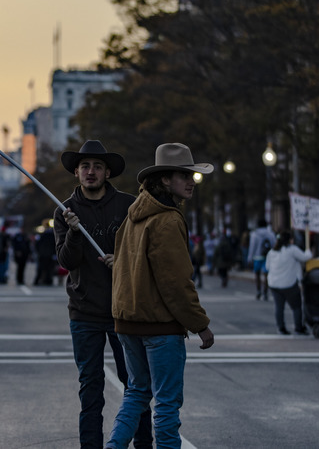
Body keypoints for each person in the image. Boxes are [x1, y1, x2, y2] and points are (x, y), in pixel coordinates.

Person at [106, 142, 215, 449]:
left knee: (137, 392)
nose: (191, 181)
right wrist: (200, 324)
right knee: (166, 403)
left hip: (127, 323)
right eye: (184, 175)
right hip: (159, 326)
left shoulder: (133, 217)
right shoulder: (167, 219)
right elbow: (176, 282)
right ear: (166, 180)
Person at [53, 140, 151, 449]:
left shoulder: (129, 205)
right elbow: (66, 262)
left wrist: (121, 260)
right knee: (90, 389)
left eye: (97, 166)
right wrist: (72, 231)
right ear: (76, 173)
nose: (91, 172)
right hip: (84, 312)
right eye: (85, 167)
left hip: (124, 310)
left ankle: (144, 444)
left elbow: (146, 252)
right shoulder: (65, 211)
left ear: (107, 172)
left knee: (135, 385)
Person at [265, 230, 312, 335]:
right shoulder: (292, 250)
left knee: (279, 307)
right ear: (289, 240)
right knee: (296, 306)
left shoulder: (271, 252)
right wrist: (308, 250)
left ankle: (281, 328)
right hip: (288, 283)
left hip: (274, 283)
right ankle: (298, 327)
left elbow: (267, 267)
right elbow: (306, 257)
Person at [248, 218, 276, 300]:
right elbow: (274, 244)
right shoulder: (270, 234)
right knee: (266, 275)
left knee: (257, 274)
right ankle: (265, 291)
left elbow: (252, 247)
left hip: (257, 256)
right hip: (268, 256)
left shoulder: (254, 234)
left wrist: (250, 258)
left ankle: (258, 290)